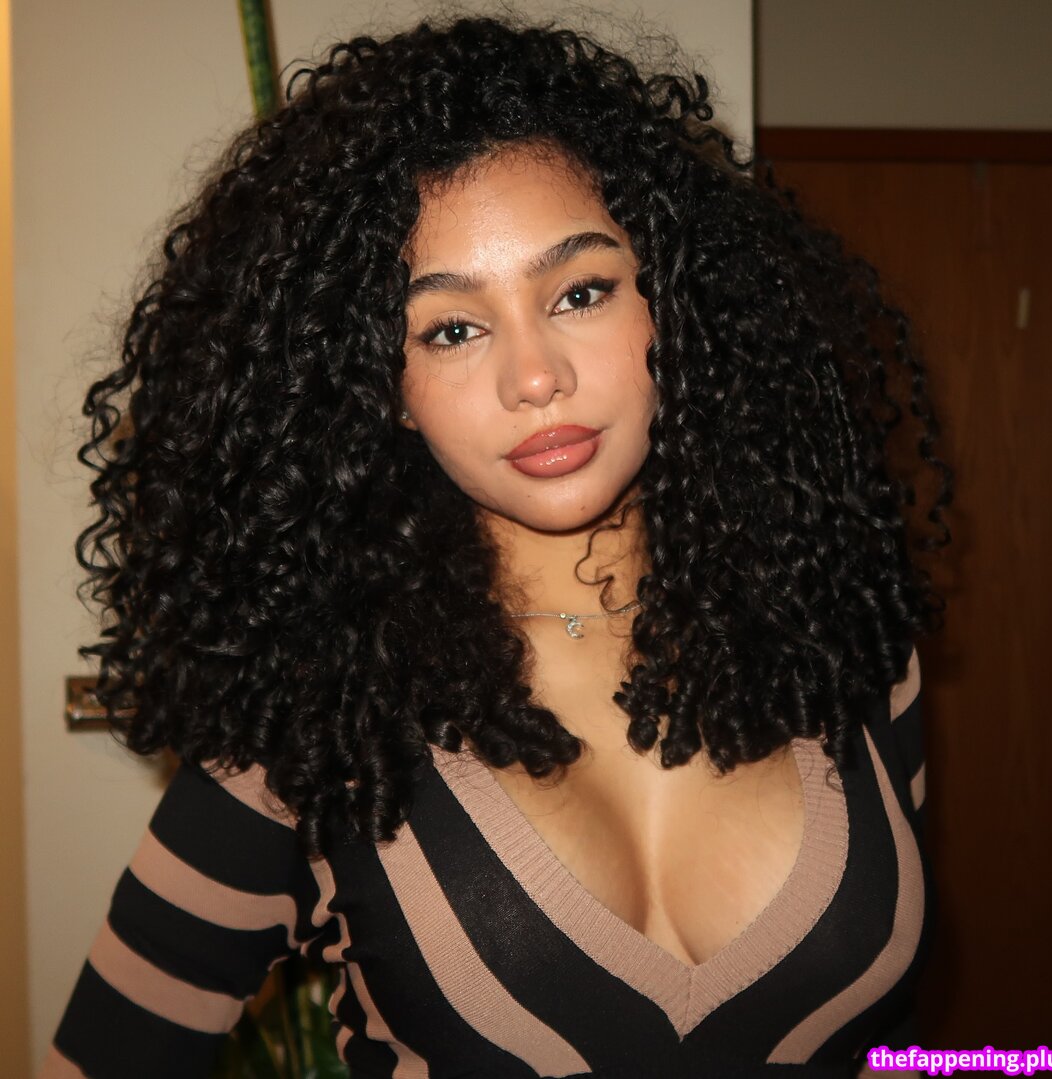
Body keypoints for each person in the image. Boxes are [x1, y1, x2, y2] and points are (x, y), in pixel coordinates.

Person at [43, 10, 952, 1078]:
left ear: (672, 300)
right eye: (452, 328)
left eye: (580, 292)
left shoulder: (845, 639)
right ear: (382, 385)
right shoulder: (317, 718)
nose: (535, 377)